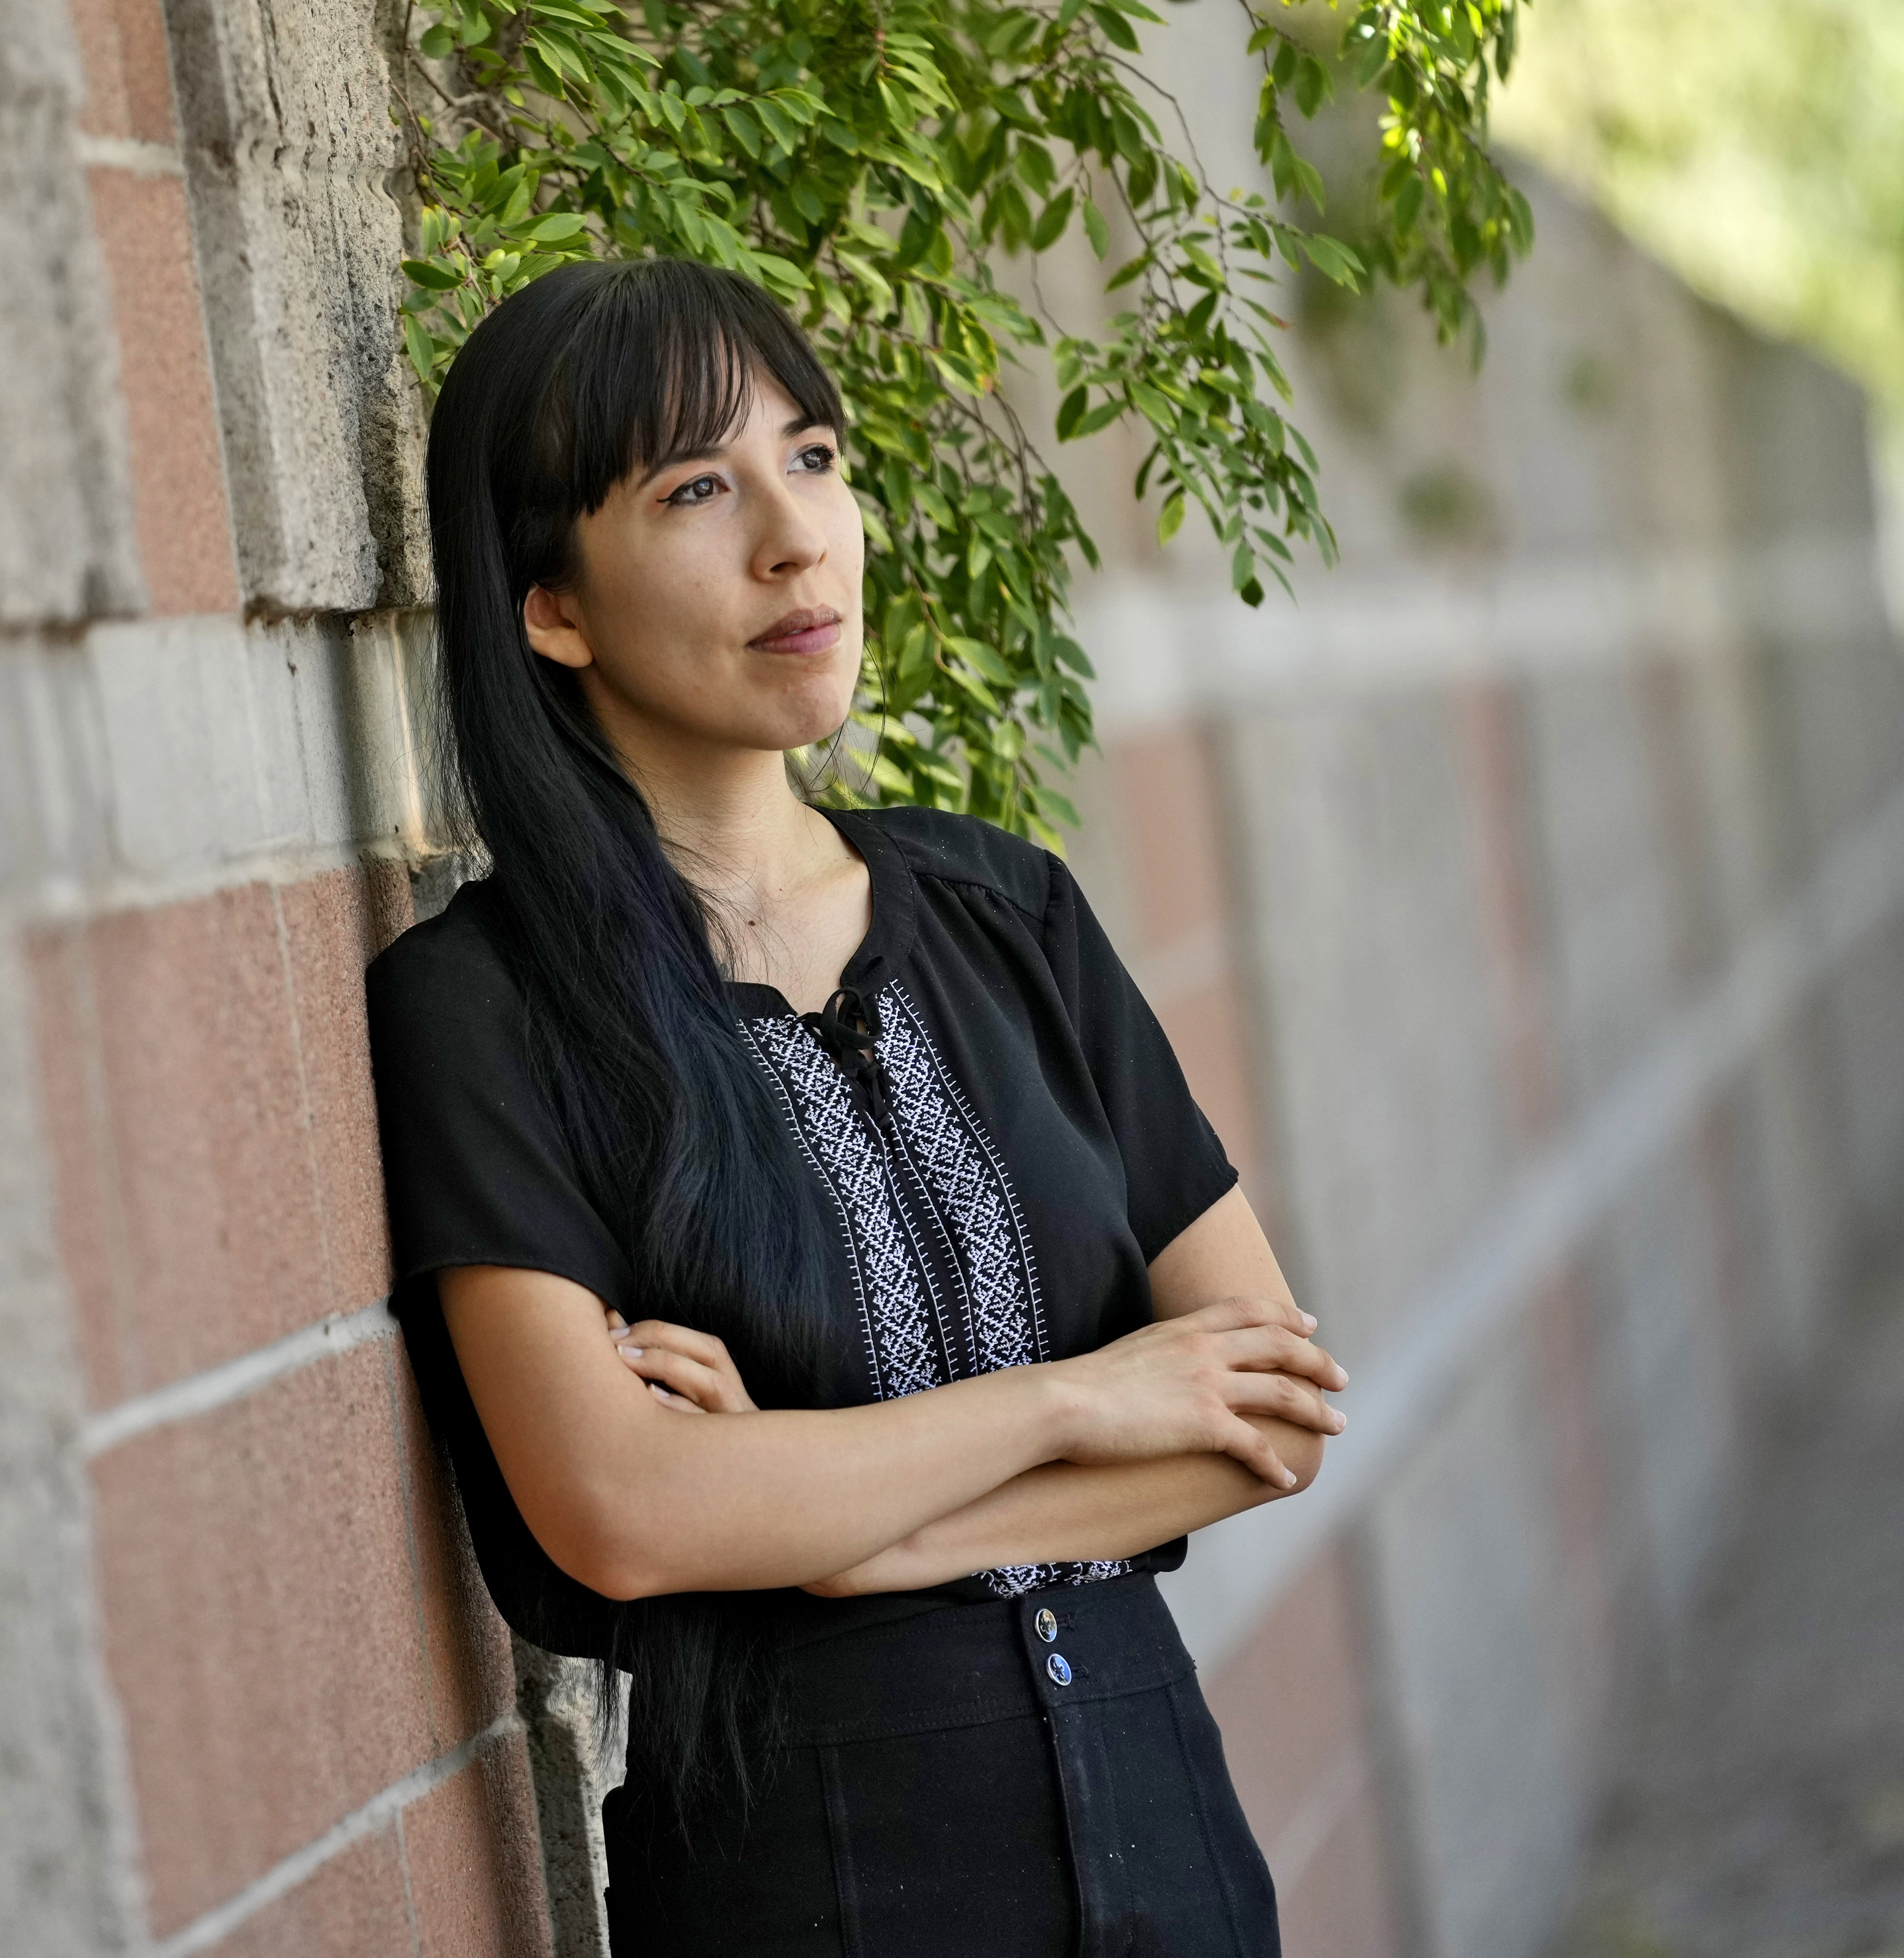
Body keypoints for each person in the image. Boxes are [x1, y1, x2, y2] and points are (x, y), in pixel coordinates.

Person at [363, 256, 1350, 1957]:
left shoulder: (1006, 913)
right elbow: (623, 1511)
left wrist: (845, 1532)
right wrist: (1073, 1402)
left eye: (811, 459)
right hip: (806, 1885)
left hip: (1169, 1849)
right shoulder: (486, 1008)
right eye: (695, 489)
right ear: (552, 607)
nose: (793, 535)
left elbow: (1255, 1414)